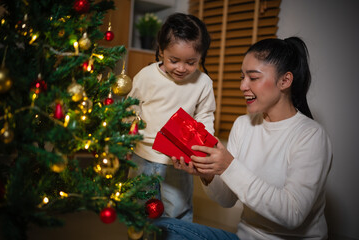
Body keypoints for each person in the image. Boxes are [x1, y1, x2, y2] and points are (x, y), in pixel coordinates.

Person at [154, 37, 333, 239]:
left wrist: (229, 166)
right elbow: (227, 199)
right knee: (157, 227)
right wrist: (208, 174)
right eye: (242, 77)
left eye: (253, 78)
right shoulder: (243, 124)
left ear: (285, 81)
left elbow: (293, 214)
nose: (242, 86)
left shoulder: (310, 136)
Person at [127, 12, 215, 222]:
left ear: (201, 56)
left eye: (191, 62)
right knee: (138, 210)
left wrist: (205, 148)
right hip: (142, 155)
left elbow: (205, 114)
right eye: (174, 60)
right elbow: (130, 109)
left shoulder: (203, 83)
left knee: (179, 211)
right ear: (160, 50)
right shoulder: (146, 76)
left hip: (179, 161)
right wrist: (125, 143)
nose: (182, 68)